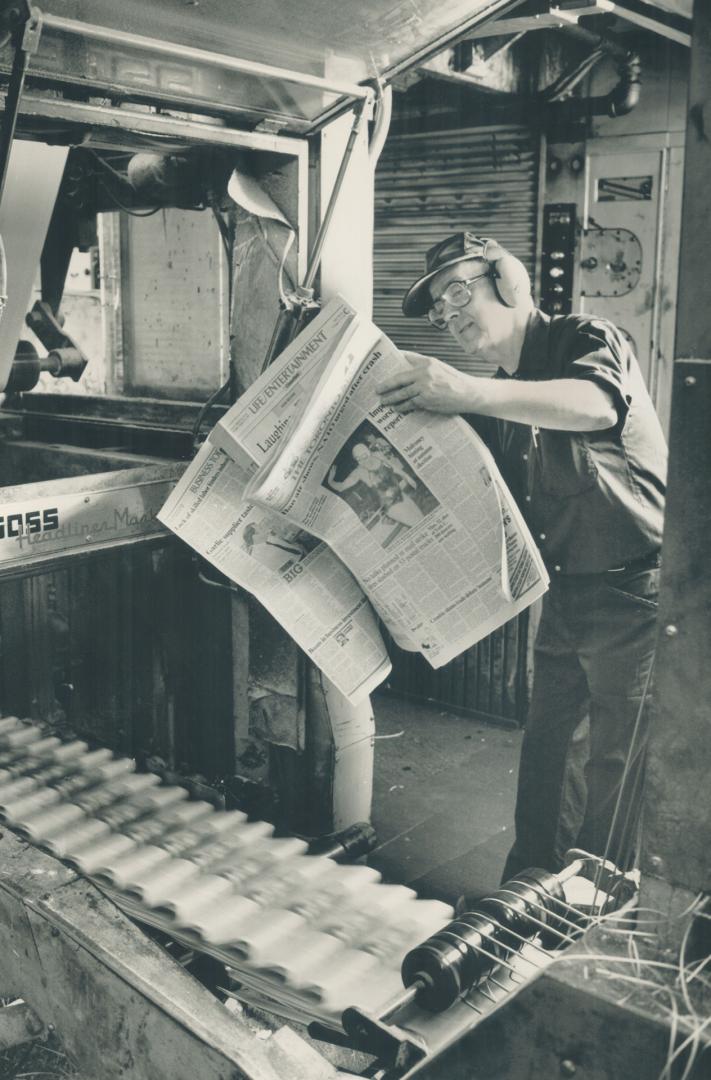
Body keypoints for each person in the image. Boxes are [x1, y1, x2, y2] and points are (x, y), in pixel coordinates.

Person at [376, 231, 667, 879]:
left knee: (614, 767)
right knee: (546, 757)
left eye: (460, 292)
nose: (450, 315)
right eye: (439, 310)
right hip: (563, 595)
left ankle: (595, 914)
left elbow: (595, 407)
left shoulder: (584, 337)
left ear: (508, 282)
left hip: (638, 591)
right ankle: (526, 898)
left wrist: (470, 395)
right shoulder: (497, 394)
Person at [327, 443, 425, 528]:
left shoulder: (378, 456)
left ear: (369, 452)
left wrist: (406, 476)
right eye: (358, 459)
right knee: (418, 524)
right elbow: (341, 487)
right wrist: (330, 481)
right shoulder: (359, 472)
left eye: (364, 456)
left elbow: (393, 467)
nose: (362, 461)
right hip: (392, 507)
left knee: (422, 519)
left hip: (402, 495)